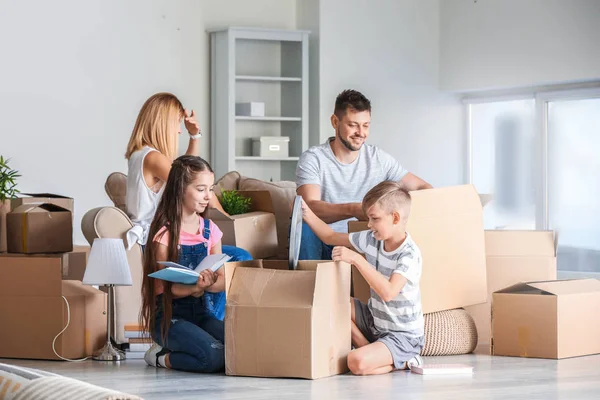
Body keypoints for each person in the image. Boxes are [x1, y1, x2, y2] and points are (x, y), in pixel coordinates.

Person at [125, 92, 251, 319]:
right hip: (162, 240)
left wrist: (195, 137)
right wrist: (224, 216)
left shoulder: (140, 154)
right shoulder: (151, 157)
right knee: (240, 258)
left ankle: (209, 317)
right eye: (176, 123)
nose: (179, 130)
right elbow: (187, 179)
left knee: (224, 262)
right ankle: (212, 317)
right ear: (162, 123)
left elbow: (186, 173)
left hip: (156, 237)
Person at [301, 181, 424, 375]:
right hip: (375, 321)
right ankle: (366, 346)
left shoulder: (409, 255)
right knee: (331, 301)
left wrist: (357, 259)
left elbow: (388, 292)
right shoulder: (371, 239)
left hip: (402, 336)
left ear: (395, 218)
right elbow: (330, 236)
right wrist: (306, 213)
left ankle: (405, 360)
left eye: (374, 219)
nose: (369, 225)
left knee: (355, 362)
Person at [296, 89, 432, 260]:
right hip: (322, 239)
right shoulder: (314, 159)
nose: (361, 133)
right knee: (304, 226)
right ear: (334, 121)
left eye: (366, 125)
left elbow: (422, 187)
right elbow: (309, 207)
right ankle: (308, 283)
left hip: (364, 240)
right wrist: (353, 209)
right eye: (353, 125)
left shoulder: (378, 159)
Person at [140, 155, 225, 372]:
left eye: (210, 189)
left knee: (240, 347)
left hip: (201, 313)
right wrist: (196, 286)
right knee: (214, 356)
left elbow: (222, 281)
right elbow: (168, 289)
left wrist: (209, 283)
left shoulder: (210, 230)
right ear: (180, 189)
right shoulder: (164, 234)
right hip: (169, 318)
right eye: (200, 189)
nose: (208, 196)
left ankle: (189, 345)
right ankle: (160, 357)